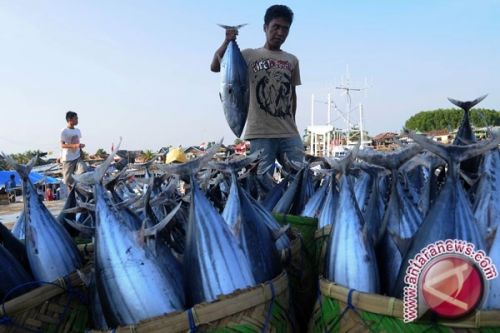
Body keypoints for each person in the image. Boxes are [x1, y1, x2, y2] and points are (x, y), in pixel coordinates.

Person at [211, 5, 304, 184]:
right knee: (261, 182)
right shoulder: (249, 55)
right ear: (265, 28)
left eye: (285, 29)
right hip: (259, 133)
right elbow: (215, 66)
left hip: (289, 132)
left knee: (300, 177)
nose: (280, 32)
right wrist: (227, 41)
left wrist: (293, 122)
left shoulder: (292, 60)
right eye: (275, 27)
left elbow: (292, 94)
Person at [60, 111, 88, 190]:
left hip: (77, 156)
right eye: (75, 118)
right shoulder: (64, 131)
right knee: (68, 180)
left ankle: (80, 188)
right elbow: (62, 145)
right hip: (68, 158)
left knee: (83, 170)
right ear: (69, 119)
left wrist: (82, 153)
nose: (77, 120)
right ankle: (71, 194)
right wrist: (75, 145)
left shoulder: (78, 130)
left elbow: (78, 143)